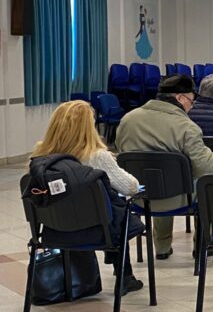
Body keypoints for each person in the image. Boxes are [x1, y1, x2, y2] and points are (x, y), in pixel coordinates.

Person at [116, 75, 213, 259]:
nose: (192, 106)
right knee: (203, 183)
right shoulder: (186, 127)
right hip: (178, 198)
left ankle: (162, 247)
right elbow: (206, 167)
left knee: (158, 180)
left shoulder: (127, 120)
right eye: (191, 101)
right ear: (180, 98)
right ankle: (202, 246)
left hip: (139, 197)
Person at [30, 100, 145, 293]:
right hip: (97, 230)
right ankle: (124, 276)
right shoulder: (97, 156)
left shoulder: (41, 159)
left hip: (54, 231)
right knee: (117, 213)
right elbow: (130, 187)